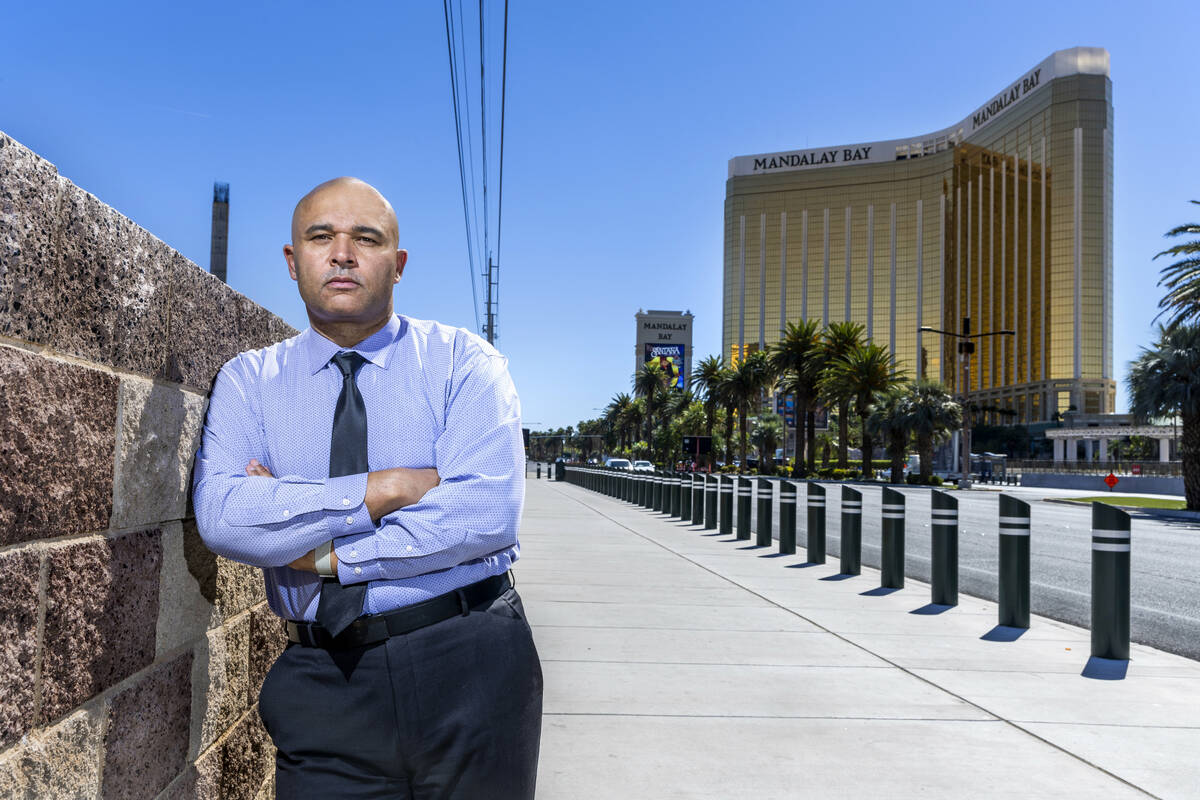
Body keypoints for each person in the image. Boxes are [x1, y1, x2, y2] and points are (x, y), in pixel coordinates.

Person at [193, 177, 542, 799]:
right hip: (324, 681)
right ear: (292, 259)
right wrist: (383, 490)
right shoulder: (249, 381)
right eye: (321, 236)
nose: (343, 254)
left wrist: (317, 552)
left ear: (398, 264)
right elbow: (223, 515)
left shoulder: (465, 363)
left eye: (366, 238)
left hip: (470, 665)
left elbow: (484, 514)